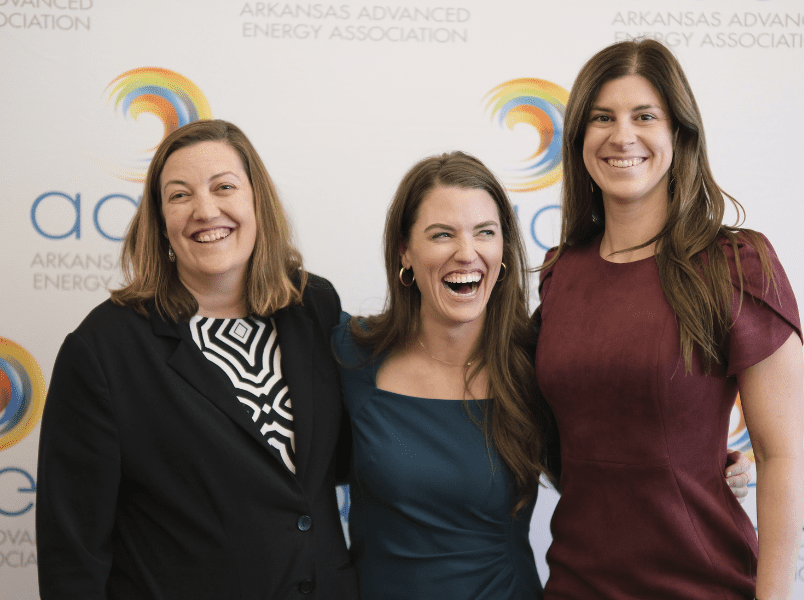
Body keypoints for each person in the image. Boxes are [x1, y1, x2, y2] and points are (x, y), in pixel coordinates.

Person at [332, 152, 752, 600]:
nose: (466, 252)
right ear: (405, 251)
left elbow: (613, 466)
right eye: (442, 235)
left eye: (485, 233)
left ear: (504, 251)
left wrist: (706, 467)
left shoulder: (537, 361)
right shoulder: (349, 353)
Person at [36, 120, 358, 600]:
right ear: (160, 220)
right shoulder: (103, 350)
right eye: (180, 195)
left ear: (257, 202)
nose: (205, 211)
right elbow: (73, 553)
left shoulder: (313, 305)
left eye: (224, 186)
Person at [535, 39, 804, 600]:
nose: (622, 136)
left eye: (644, 116)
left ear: (679, 134)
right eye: (602, 118)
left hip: (702, 586)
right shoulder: (562, 274)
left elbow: (780, 457)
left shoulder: (737, 265)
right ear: (580, 138)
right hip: (575, 585)